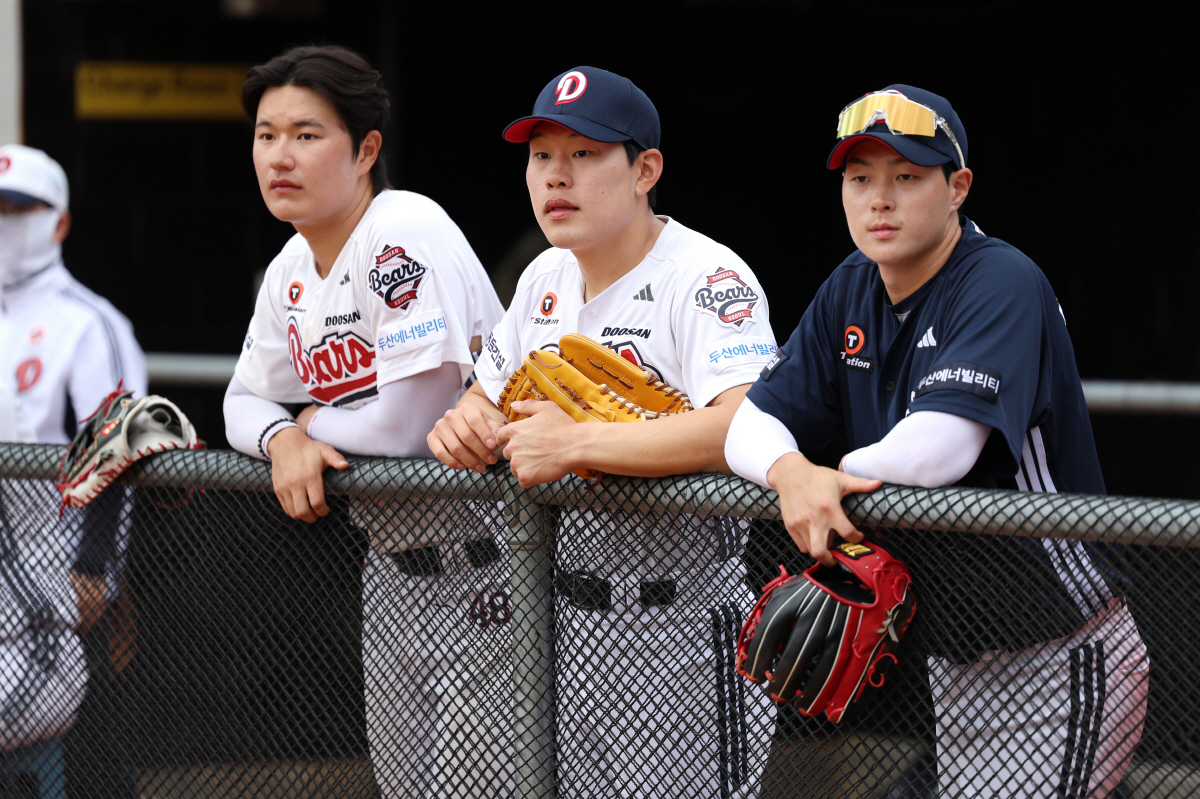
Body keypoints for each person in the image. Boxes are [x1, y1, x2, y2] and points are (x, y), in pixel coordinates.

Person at [724, 85, 1149, 797]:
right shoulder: (849, 287)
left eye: (907, 176)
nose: (879, 200)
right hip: (958, 662)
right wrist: (792, 472)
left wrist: (832, 474)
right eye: (860, 178)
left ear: (957, 188)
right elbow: (747, 426)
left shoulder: (1000, 279)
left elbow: (937, 451)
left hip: (1061, 654)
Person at [429, 66, 778, 799]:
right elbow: (483, 395)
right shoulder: (543, 276)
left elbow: (744, 421)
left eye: (584, 153)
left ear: (645, 170)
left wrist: (578, 443)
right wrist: (469, 422)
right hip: (560, 619)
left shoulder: (707, 275)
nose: (557, 175)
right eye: (541, 156)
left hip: (680, 623)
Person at [221, 45, 509, 798]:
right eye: (266, 135)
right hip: (391, 570)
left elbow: (408, 432)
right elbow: (239, 402)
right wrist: (283, 437)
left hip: (493, 566)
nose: (280, 156)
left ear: (365, 150)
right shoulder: (289, 269)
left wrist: (312, 423)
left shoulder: (400, 229)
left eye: (307, 134)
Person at [0, 142, 146, 798]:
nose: (5, 223)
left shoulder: (87, 321)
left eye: (18, 210)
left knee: (89, 767)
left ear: (58, 222)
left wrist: (93, 570)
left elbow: (116, 444)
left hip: (57, 585)